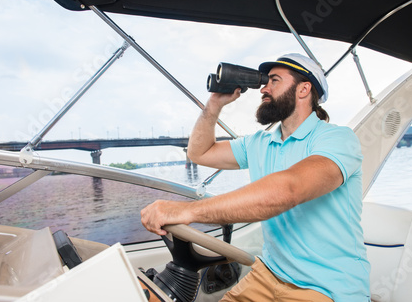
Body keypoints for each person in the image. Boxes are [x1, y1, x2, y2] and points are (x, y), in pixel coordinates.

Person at [141, 53, 370, 301]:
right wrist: (214, 103)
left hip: (327, 288)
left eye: (274, 81)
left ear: (303, 89)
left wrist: (186, 212)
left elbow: (288, 190)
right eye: (265, 81)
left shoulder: (337, 139)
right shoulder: (260, 142)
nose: (264, 88)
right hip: (268, 275)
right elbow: (199, 152)